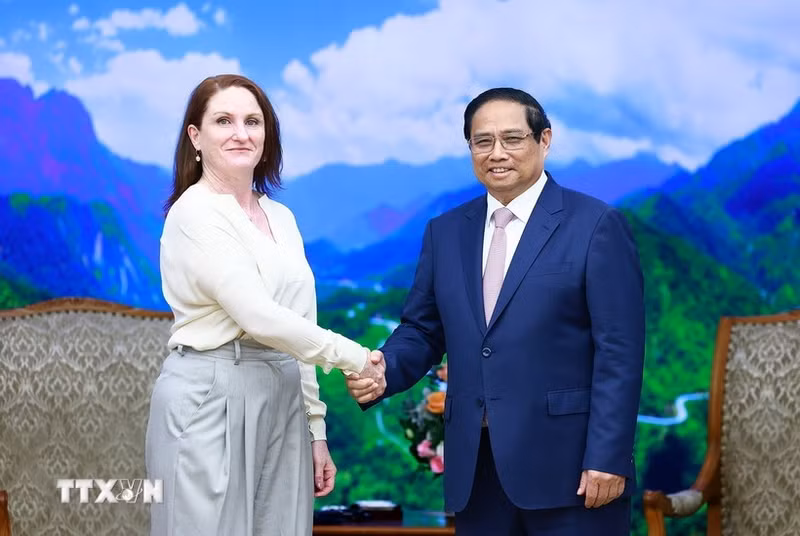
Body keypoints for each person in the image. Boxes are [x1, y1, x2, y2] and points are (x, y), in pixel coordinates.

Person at [346, 87, 645, 535]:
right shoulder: (445, 232)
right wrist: (385, 368)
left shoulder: (596, 225)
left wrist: (607, 455)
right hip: (476, 472)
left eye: (513, 138)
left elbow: (619, 351)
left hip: (573, 474)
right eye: (482, 141)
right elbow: (423, 331)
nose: (496, 153)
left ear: (545, 140)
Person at [145, 74, 385, 536]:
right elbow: (257, 315)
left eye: (252, 121)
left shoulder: (281, 216)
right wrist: (357, 358)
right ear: (196, 136)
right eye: (223, 120)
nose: (241, 132)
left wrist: (316, 430)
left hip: (284, 395)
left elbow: (298, 324)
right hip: (208, 394)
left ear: (267, 134)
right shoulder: (193, 212)